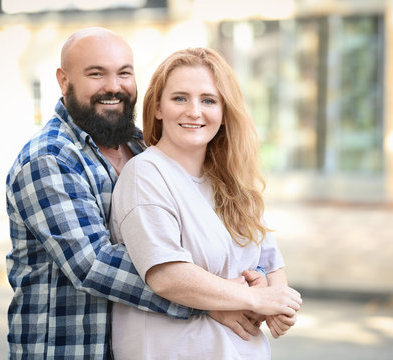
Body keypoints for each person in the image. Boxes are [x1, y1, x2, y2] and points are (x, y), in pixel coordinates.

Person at [5, 27, 290, 359]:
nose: (113, 86)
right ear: (63, 80)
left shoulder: (140, 145)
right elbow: (95, 264)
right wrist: (217, 302)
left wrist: (257, 291)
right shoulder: (49, 160)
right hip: (68, 348)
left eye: (124, 73)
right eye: (96, 74)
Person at [110, 47, 302, 359]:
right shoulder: (145, 175)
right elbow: (168, 275)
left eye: (208, 100)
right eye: (179, 98)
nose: (194, 111)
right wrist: (253, 299)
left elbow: (269, 259)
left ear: (225, 112)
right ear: (157, 107)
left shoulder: (232, 180)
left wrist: (278, 303)